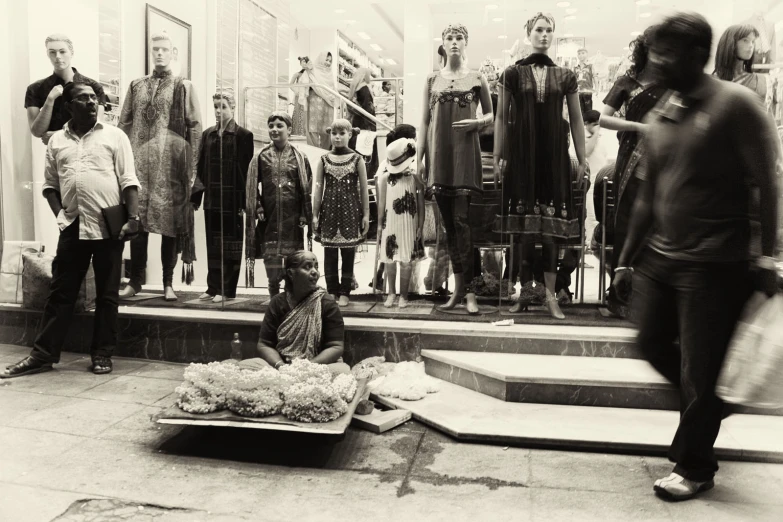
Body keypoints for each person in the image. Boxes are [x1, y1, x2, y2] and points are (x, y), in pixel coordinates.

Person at [612, 13, 779, 501]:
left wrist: (767, 256)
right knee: (649, 344)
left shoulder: (736, 104)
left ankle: (696, 464)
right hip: (663, 257)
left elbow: (769, 184)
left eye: (666, 53)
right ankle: (712, 405)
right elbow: (648, 193)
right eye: (654, 52)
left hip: (716, 263)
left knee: (699, 370)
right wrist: (625, 259)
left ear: (697, 56)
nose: (656, 62)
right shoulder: (666, 106)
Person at [2, 83, 140, 378]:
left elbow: (129, 180)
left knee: (107, 295)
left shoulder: (115, 136)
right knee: (60, 293)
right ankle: (42, 356)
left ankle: (102, 354)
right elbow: (50, 186)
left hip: (108, 227)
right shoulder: (56, 143)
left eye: (94, 98)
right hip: (73, 227)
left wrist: (134, 217)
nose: (91, 102)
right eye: (83, 98)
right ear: (69, 106)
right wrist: (61, 218)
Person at [493, 12, 587, 319]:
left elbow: (575, 118)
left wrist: (583, 157)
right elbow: (501, 118)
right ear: (528, 34)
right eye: (538, 30)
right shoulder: (512, 74)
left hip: (554, 158)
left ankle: (550, 297)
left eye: (548, 30)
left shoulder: (566, 76)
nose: (543, 35)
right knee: (524, 233)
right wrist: (498, 155)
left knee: (550, 232)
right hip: (522, 158)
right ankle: (524, 294)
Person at [118, 32, 202, 301]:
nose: (159, 54)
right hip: (139, 166)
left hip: (170, 168)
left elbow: (195, 127)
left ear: (173, 52)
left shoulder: (184, 86)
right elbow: (123, 124)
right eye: (155, 49)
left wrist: (194, 168)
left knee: (169, 226)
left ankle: (168, 282)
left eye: (165, 49)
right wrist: (118, 161)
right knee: (137, 223)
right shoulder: (135, 85)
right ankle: (136, 280)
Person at [418, 23, 493, 315]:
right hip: (439, 159)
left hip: (465, 158)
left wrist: (477, 123)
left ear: (466, 42)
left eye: (459, 38)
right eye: (449, 37)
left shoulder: (477, 78)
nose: (453, 42)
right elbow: (424, 122)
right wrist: (419, 159)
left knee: (463, 224)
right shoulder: (431, 80)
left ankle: (470, 292)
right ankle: (458, 291)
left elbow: (491, 114)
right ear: (442, 42)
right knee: (448, 229)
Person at [599, 26, 667, 317]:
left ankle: (653, 298)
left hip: (665, 158)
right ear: (645, 49)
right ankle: (621, 295)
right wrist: (639, 127)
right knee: (627, 220)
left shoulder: (674, 84)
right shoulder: (627, 82)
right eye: (656, 47)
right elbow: (603, 119)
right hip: (630, 159)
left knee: (659, 222)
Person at [238, 251, 350, 376]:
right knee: (245, 366)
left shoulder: (327, 303)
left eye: (316, 267)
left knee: (342, 370)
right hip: (282, 366)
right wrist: (281, 366)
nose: (315, 272)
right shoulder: (278, 302)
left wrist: (307, 368)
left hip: (317, 367)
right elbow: (264, 344)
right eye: (307, 267)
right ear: (291, 273)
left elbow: (336, 347)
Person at [191, 91, 254, 303]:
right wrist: (196, 197)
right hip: (212, 199)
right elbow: (201, 167)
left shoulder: (243, 135)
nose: (219, 111)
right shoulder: (208, 134)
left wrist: (245, 200)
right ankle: (213, 286)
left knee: (231, 246)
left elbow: (246, 172)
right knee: (213, 244)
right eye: (216, 107)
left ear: (233, 108)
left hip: (232, 199)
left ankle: (228, 289)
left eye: (223, 107)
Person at [245, 112, 313, 296]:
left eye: (279, 126)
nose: (274, 129)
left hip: (292, 219)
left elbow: (305, 188)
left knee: (294, 259)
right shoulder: (261, 157)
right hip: (270, 217)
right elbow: (252, 186)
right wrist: (258, 205)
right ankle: (273, 294)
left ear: (289, 130)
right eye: (271, 126)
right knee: (272, 257)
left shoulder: (300, 157)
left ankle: (291, 294)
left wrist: (303, 213)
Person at [312, 119, 370, 306]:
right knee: (329, 253)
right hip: (328, 211)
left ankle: (345, 291)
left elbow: (363, 189)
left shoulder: (357, 159)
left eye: (342, 133)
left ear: (350, 134)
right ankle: (331, 290)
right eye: (334, 133)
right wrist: (314, 214)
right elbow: (318, 187)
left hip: (350, 211)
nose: (337, 137)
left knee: (348, 252)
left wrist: (366, 214)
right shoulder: (324, 159)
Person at [25, 34, 107, 146]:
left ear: (71, 52)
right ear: (47, 54)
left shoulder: (93, 87)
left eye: (62, 51)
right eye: (52, 52)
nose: (57, 56)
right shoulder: (35, 88)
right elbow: (37, 131)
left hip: (87, 150)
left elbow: (97, 126)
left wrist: (59, 136)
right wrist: (50, 100)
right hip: (56, 155)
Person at [378, 138, 425, 308]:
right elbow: (381, 204)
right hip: (390, 224)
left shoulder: (415, 179)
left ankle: (403, 295)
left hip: (409, 223)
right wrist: (379, 225)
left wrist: (421, 224)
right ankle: (391, 292)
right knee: (390, 260)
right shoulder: (384, 179)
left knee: (406, 260)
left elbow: (420, 205)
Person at [714, 24, 768, 103]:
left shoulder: (760, 80)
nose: (751, 46)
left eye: (753, 42)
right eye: (745, 40)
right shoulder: (712, 82)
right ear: (730, 43)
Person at [347, 67, 379, 177]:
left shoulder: (356, 88)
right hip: (366, 124)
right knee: (367, 149)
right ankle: (368, 174)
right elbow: (368, 108)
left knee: (358, 147)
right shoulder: (364, 88)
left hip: (358, 122)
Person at [305, 52, 336, 149]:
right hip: (315, 102)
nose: (328, 63)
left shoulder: (329, 74)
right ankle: (313, 152)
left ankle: (325, 152)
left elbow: (332, 90)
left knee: (326, 130)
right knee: (313, 128)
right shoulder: (313, 71)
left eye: (330, 61)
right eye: (326, 60)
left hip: (328, 104)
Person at [290, 56, 310, 136]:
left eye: (305, 62)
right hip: (299, 96)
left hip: (307, 97)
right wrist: (296, 91)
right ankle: (296, 133)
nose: (304, 63)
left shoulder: (309, 74)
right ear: (300, 63)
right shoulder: (297, 74)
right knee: (298, 113)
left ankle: (305, 134)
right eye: (303, 62)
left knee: (305, 115)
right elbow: (290, 85)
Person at [574, 47, 594, 115]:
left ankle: (588, 123)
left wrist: (597, 88)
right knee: (580, 109)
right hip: (578, 91)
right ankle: (581, 124)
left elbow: (594, 77)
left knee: (588, 108)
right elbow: (573, 79)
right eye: (579, 54)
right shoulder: (575, 67)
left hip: (587, 90)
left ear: (587, 54)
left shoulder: (590, 66)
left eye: (583, 53)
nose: (581, 55)